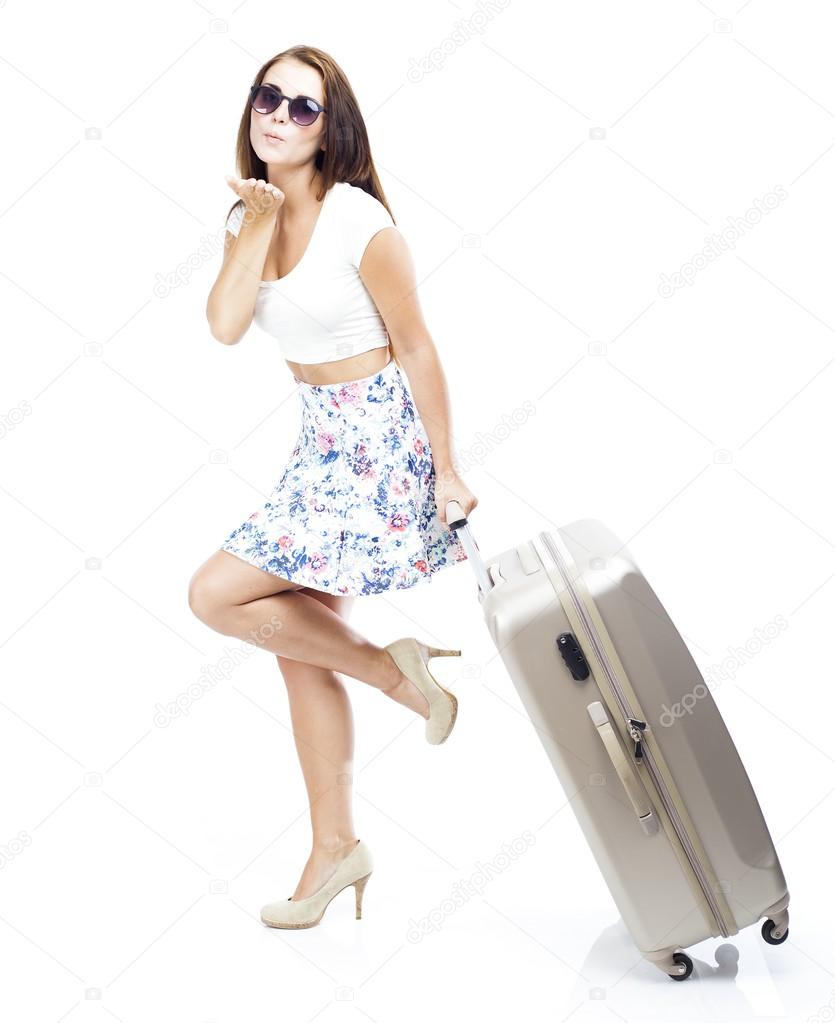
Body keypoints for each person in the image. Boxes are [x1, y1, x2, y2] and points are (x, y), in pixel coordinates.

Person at [188, 45, 478, 929]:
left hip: (375, 437)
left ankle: (395, 675)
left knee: (215, 593)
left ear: (329, 128)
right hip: (317, 442)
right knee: (297, 643)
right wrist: (254, 224)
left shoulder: (359, 221)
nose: (276, 114)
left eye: (301, 107)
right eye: (265, 97)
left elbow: (417, 343)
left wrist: (449, 467)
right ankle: (334, 848)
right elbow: (226, 326)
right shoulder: (250, 217)